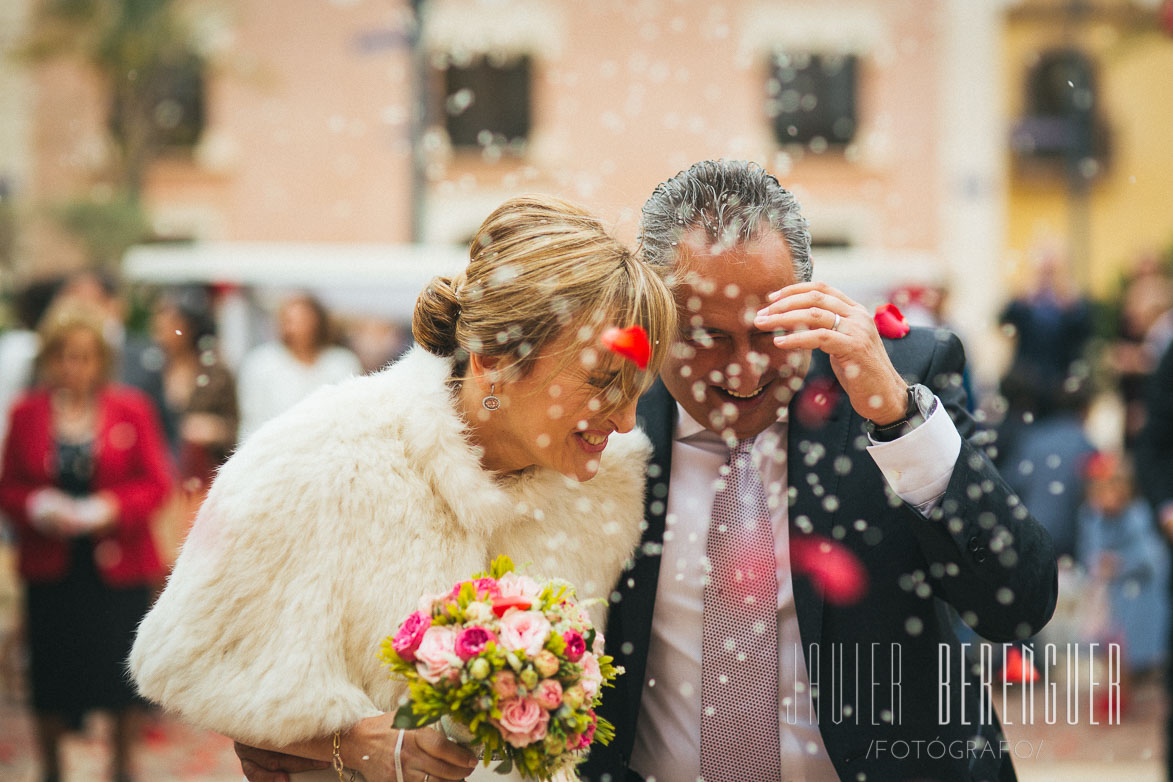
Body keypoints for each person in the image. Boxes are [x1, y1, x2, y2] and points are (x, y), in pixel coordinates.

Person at [129, 195, 678, 782]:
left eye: (636, 389)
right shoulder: (318, 460)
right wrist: (355, 743)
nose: (624, 422)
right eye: (602, 382)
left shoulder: (613, 482)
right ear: (495, 357)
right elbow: (180, 656)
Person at [573, 160, 1055, 782]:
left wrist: (898, 421)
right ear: (654, 319)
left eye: (769, 332)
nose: (743, 372)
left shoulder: (904, 372)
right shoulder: (604, 413)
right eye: (706, 338)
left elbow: (1017, 603)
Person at [0, 302, 174, 782]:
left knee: (119, 680)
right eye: (62, 356)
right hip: (51, 567)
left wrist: (110, 508)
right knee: (54, 679)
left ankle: (121, 769)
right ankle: (52, 768)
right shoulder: (27, 413)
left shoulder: (129, 409)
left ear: (100, 360)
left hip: (117, 568)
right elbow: (9, 485)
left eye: (82, 357)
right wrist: (36, 505)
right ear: (47, 360)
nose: (71, 367)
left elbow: (157, 482)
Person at [1076, 452, 1168, 675]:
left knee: (1127, 645)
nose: (1106, 499)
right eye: (1100, 492)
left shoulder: (1137, 517)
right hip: (1106, 594)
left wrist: (1121, 563)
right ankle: (1113, 688)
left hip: (1135, 594)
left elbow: (1152, 558)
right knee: (1106, 642)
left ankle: (1126, 686)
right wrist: (1096, 563)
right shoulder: (1091, 516)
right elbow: (1087, 549)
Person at [235, 293, 363, 440]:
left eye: (305, 320)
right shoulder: (260, 363)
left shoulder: (342, 363)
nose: (299, 327)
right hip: (276, 447)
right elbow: (252, 418)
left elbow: (350, 414)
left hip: (329, 446)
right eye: (291, 320)